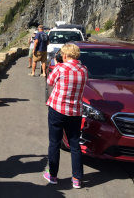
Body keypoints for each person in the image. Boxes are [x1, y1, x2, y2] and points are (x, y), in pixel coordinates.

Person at [43, 43, 88, 189]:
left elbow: (49, 82)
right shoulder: (84, 70)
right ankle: (77, 179)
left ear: (66, 55)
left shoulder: (60, 68)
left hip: (58, 109)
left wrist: (57, 65)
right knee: (75, 144)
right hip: (75, 111)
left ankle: (53, 175)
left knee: (54, 142)